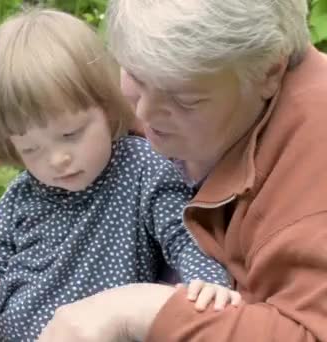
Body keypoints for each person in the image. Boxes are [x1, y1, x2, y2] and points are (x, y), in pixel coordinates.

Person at [0, 8, 241, 341]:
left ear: (107, 107)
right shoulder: (20, 195)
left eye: (71, 134)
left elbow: (184, 236)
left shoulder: (142, 168)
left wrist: (208, 282)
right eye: (31, 149)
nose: (57, 159)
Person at [34, 0, 327, 341]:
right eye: (136, 77)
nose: (146, 111)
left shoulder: (314, 167)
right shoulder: (191, 89)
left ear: (269, 73)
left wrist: (139, 310)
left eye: (184, 99)